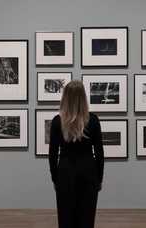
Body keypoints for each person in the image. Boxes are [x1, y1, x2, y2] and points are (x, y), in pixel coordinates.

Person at [49, 80, 104, 228]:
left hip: (65, 174)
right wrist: (99, 179)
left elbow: (52, 155)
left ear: (65, 98)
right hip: (88, 173)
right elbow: (99, 153)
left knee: (66, 220)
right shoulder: (93, 120)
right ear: (83, 98)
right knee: (86, 219)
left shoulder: (57, 122)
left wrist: (55, 179)